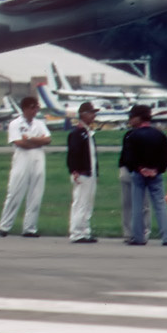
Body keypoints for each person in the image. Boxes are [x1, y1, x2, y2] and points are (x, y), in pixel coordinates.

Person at [121, 103, 167, 246]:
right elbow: (166, 155)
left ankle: (138, 237)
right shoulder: (159, 135)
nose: (130, 120)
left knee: (138, 205)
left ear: (139, 118)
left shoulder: (133, 136)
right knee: (160, 205)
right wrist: (158, 169)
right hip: (155, 174)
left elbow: (128, 158)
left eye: (132, 117)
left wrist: (139, 169)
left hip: (139, 174)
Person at [0, 96, 50, 237]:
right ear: (26, 108)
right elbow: (19, 143)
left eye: (37, 107)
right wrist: (37, 142)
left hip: (38, 158)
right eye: (33, 107)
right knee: (15, 192)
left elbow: (48, 139)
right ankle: (4, 226)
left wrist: (32, 139)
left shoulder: (39, 123)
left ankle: (30, 228)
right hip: (22, 158)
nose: (36, 110)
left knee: (36, 193)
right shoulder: (15, 124)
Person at [66, 101, 99, 243]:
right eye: (91, 113)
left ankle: (85, 230)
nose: (93, 116)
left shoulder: (88, 132)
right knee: (80, 202)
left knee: (87, 203)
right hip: (82, 173)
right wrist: (74, 170)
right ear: (83, 114)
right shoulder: (77, 133)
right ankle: (76, 232)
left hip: (90, 173)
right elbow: (73, 153)